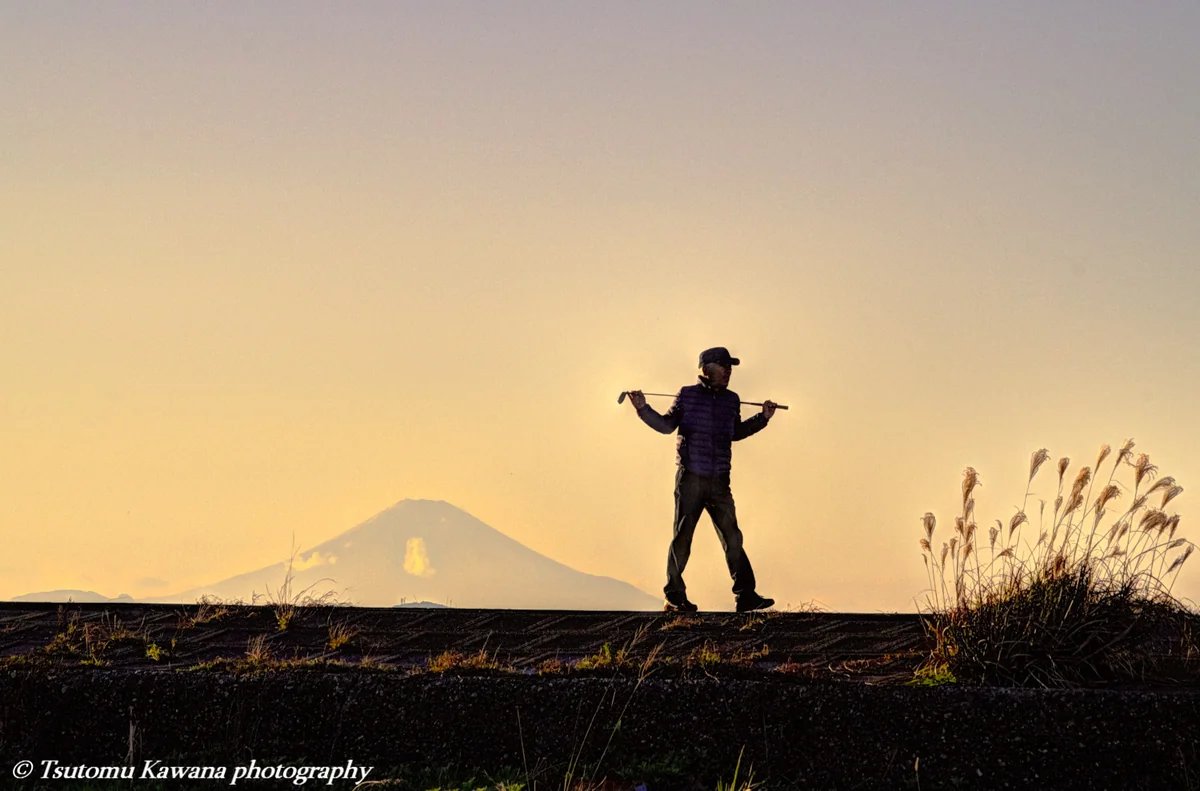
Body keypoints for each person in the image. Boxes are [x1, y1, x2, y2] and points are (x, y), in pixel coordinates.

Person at [626, 347, 777, 613]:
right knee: (683, 537)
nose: (728, 370)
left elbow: (736, 433)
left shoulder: (732, 400)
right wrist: (642, 408)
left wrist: (763, 418)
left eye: (729, 366)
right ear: (705, 369)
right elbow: (666, 426)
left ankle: (746, 596)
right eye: (723, 365)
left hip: (720, 480)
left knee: (733, 537)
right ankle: (674, 595)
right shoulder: (687, 395)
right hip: (691, 478)